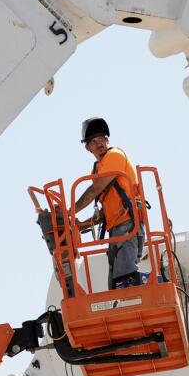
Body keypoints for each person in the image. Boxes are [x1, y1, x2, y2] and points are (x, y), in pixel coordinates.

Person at [73, 117, 146, 289]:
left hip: (128, 225)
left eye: (101, 139)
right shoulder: (99, 168)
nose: (99, 144)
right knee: (114, 285)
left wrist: (70, 211)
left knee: (124, 281)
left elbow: (94, 190)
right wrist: (81, 225)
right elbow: (104, 212)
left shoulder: (114, 156)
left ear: (107, 140)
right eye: (93, 141)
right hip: (115, 230)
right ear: (87, 147)